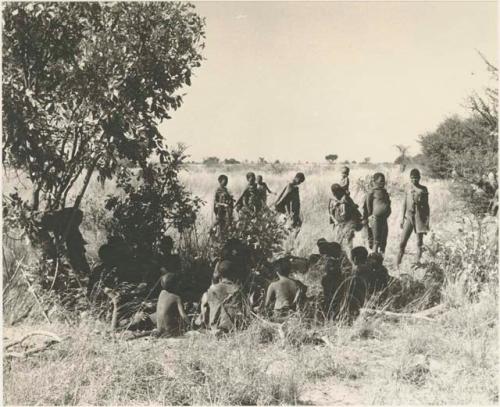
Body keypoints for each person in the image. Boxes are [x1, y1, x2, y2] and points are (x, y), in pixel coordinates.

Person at [204, 260, 249, 334]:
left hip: (215, 327)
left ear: (220, 274)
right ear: (233, 274)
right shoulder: (237, 289)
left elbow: (207, 309)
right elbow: (245, 310)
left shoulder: (212, 289)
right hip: (234, 328)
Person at [397, 169, 430, 268]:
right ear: (410, 178)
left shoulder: (423, 189)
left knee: (419, 242)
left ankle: (417, 263)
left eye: (416, 178)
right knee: (402, 242)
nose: (414, 180)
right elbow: (404, 204)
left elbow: (427, 206)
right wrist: (402, 218)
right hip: (409, 218)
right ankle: (397, 264)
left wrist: (427, 222)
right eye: (412, 178)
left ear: (419, 178)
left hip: (419, 218)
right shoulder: (407, 188)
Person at [329, 183, 363, 257]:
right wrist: (335, 222)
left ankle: (350, 257)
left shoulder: (346, 198)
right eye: (335, 193)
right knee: (338, 242)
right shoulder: (332, 200)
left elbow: (354, 208)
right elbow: (330, 213)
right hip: (339, 223)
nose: (336, 195)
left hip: (349, 222)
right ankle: (339, 258)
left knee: (348, 241)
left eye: (338, 192)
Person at [363, 173, 392, 255]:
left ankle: (381, 260)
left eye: (384, 181)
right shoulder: (372, 191)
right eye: (381, 181)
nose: (383, 183)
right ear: (375, 181)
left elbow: (387, 202)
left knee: (383, 241)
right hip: (375, 219)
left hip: (384, 219)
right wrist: (370, 216)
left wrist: (388, 210)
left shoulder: (384, 191)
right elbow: (367, 204)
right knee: (376, 241)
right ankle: (373, 260)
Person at [154, 273, 190, 337]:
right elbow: (183, 315)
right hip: (170, 331)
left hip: (159, 329)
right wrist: (190, 325)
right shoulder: (176, 297)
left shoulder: (161, 293)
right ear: (175, 285)